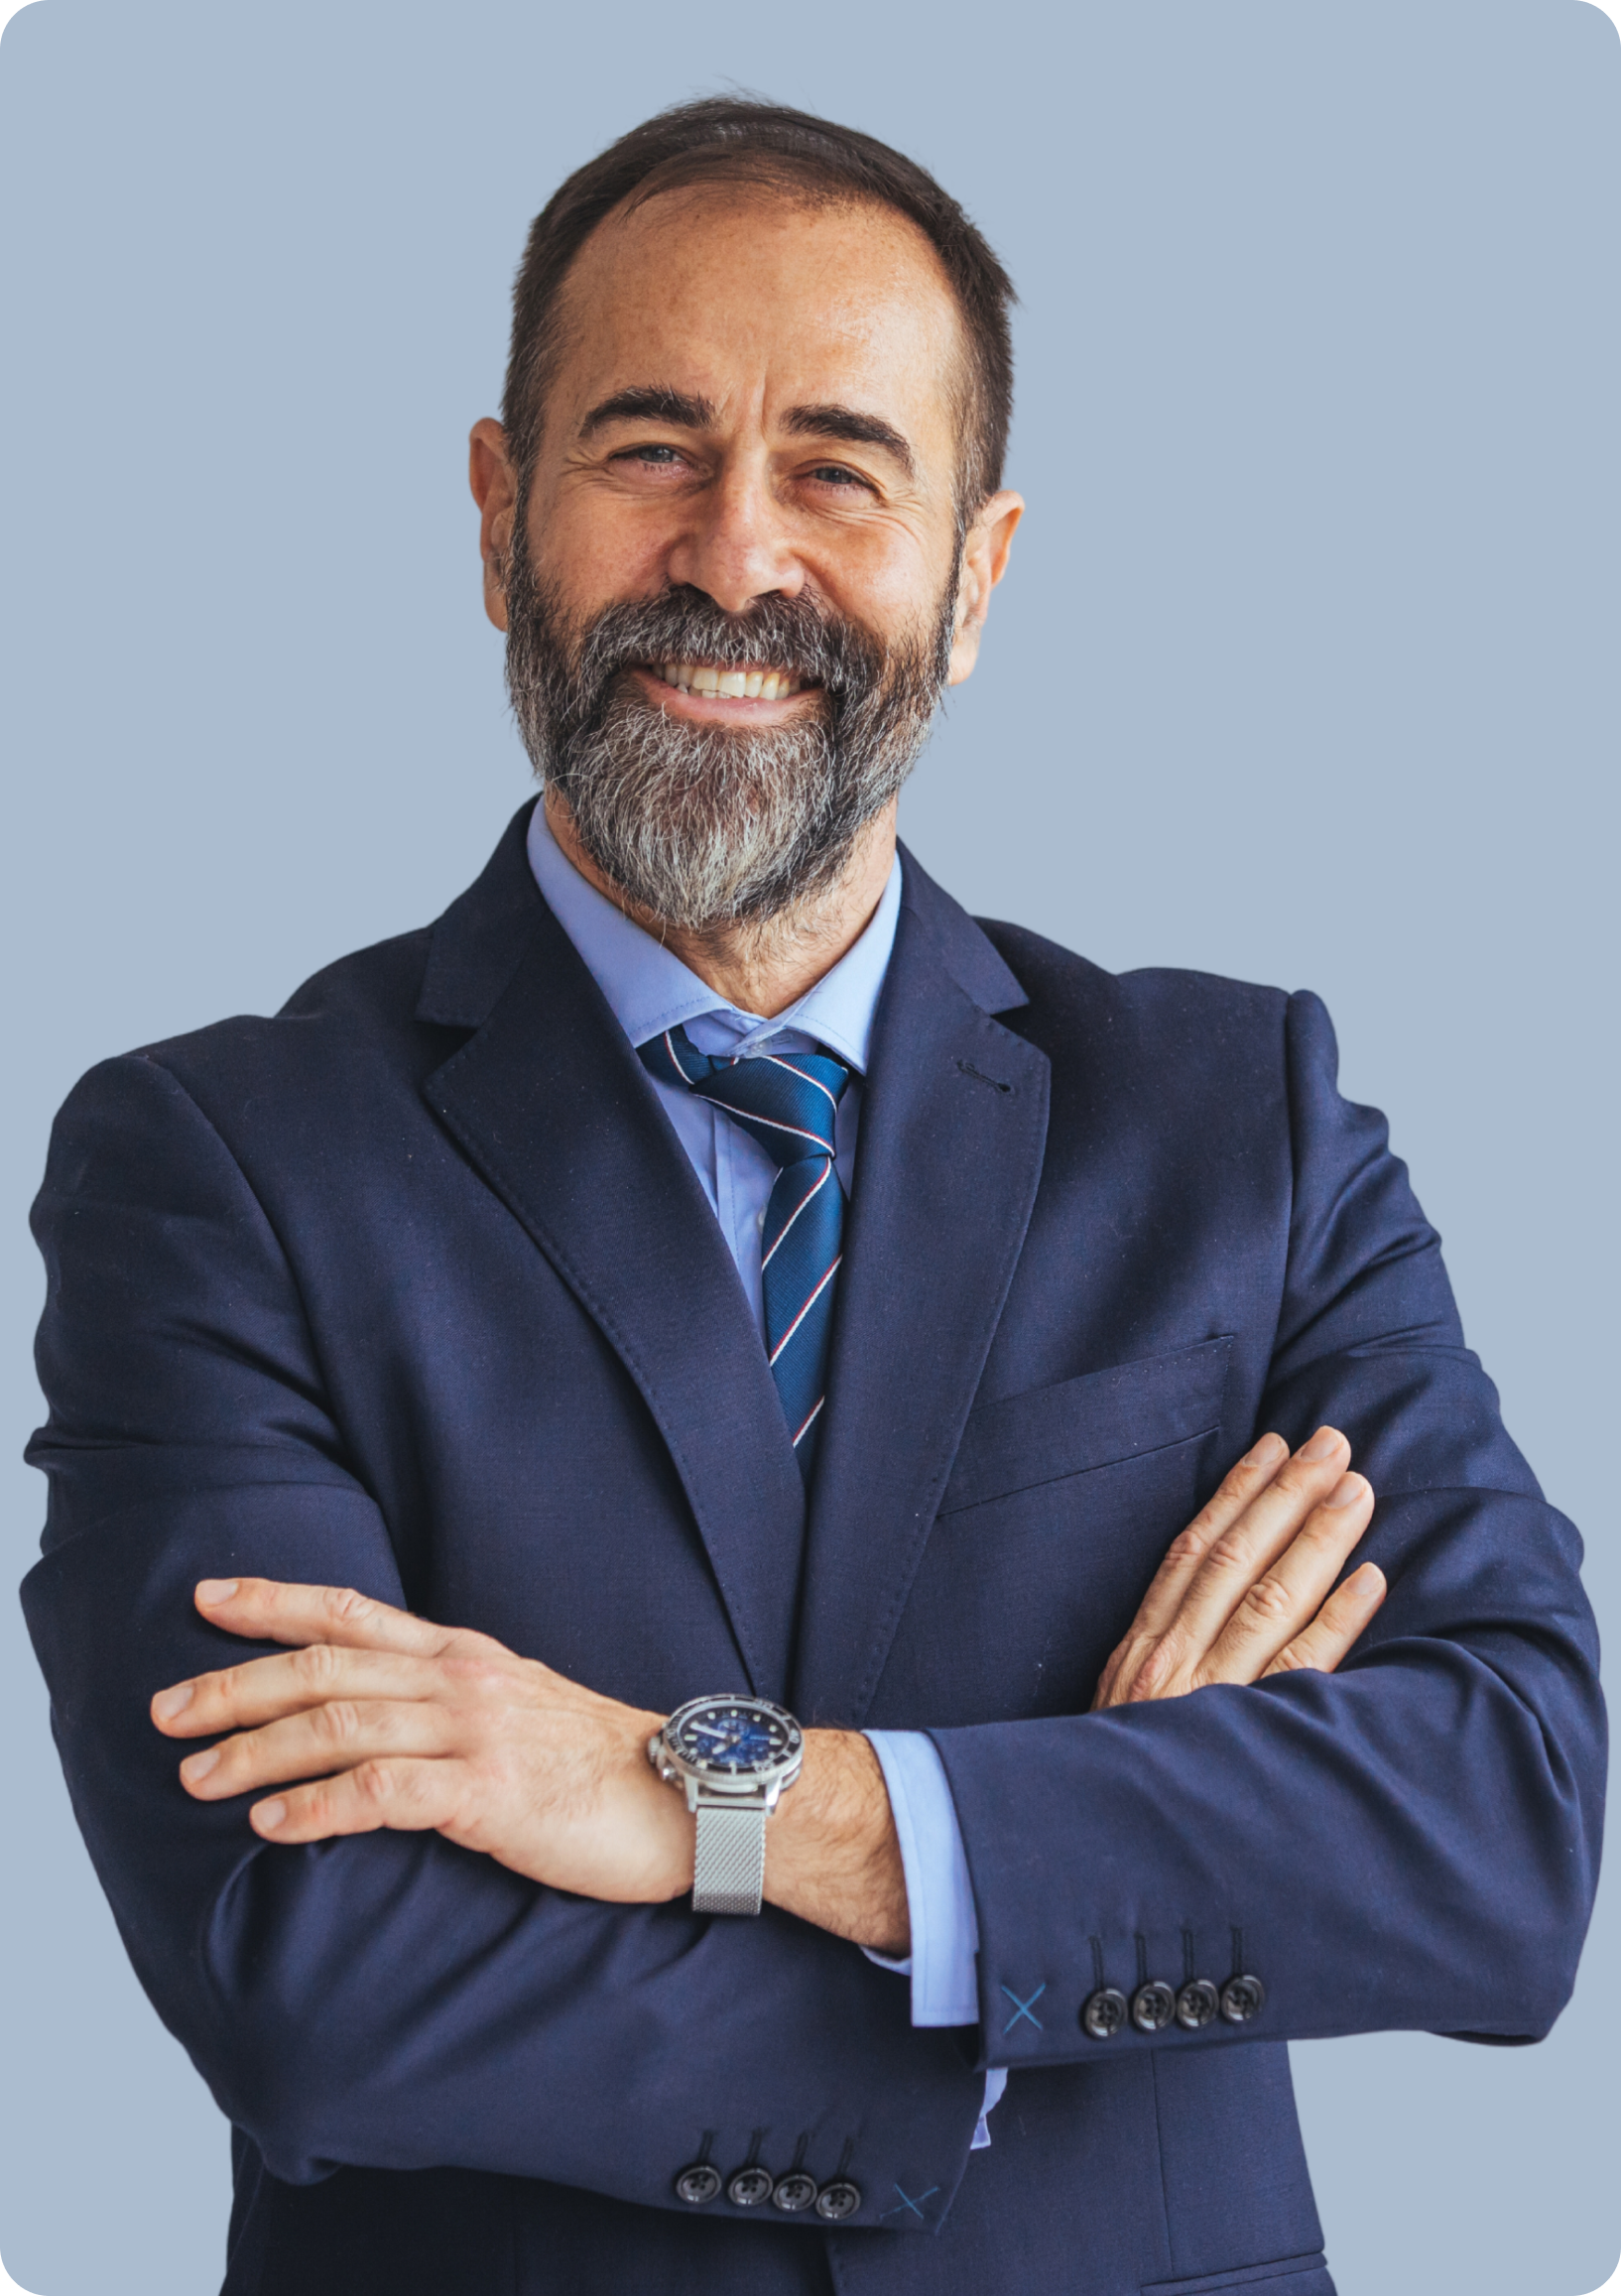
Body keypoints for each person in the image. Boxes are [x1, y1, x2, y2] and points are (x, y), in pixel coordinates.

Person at [20, 97, 1603, 2296]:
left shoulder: (1240, 1121)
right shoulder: (216, 1169)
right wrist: (1056, 1880)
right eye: (648, 447)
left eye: (840, 469)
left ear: (978, 572)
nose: (735, 555)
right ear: (497, 511)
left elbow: (1500, 1828)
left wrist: (707, 1797)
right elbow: (319, 1973)